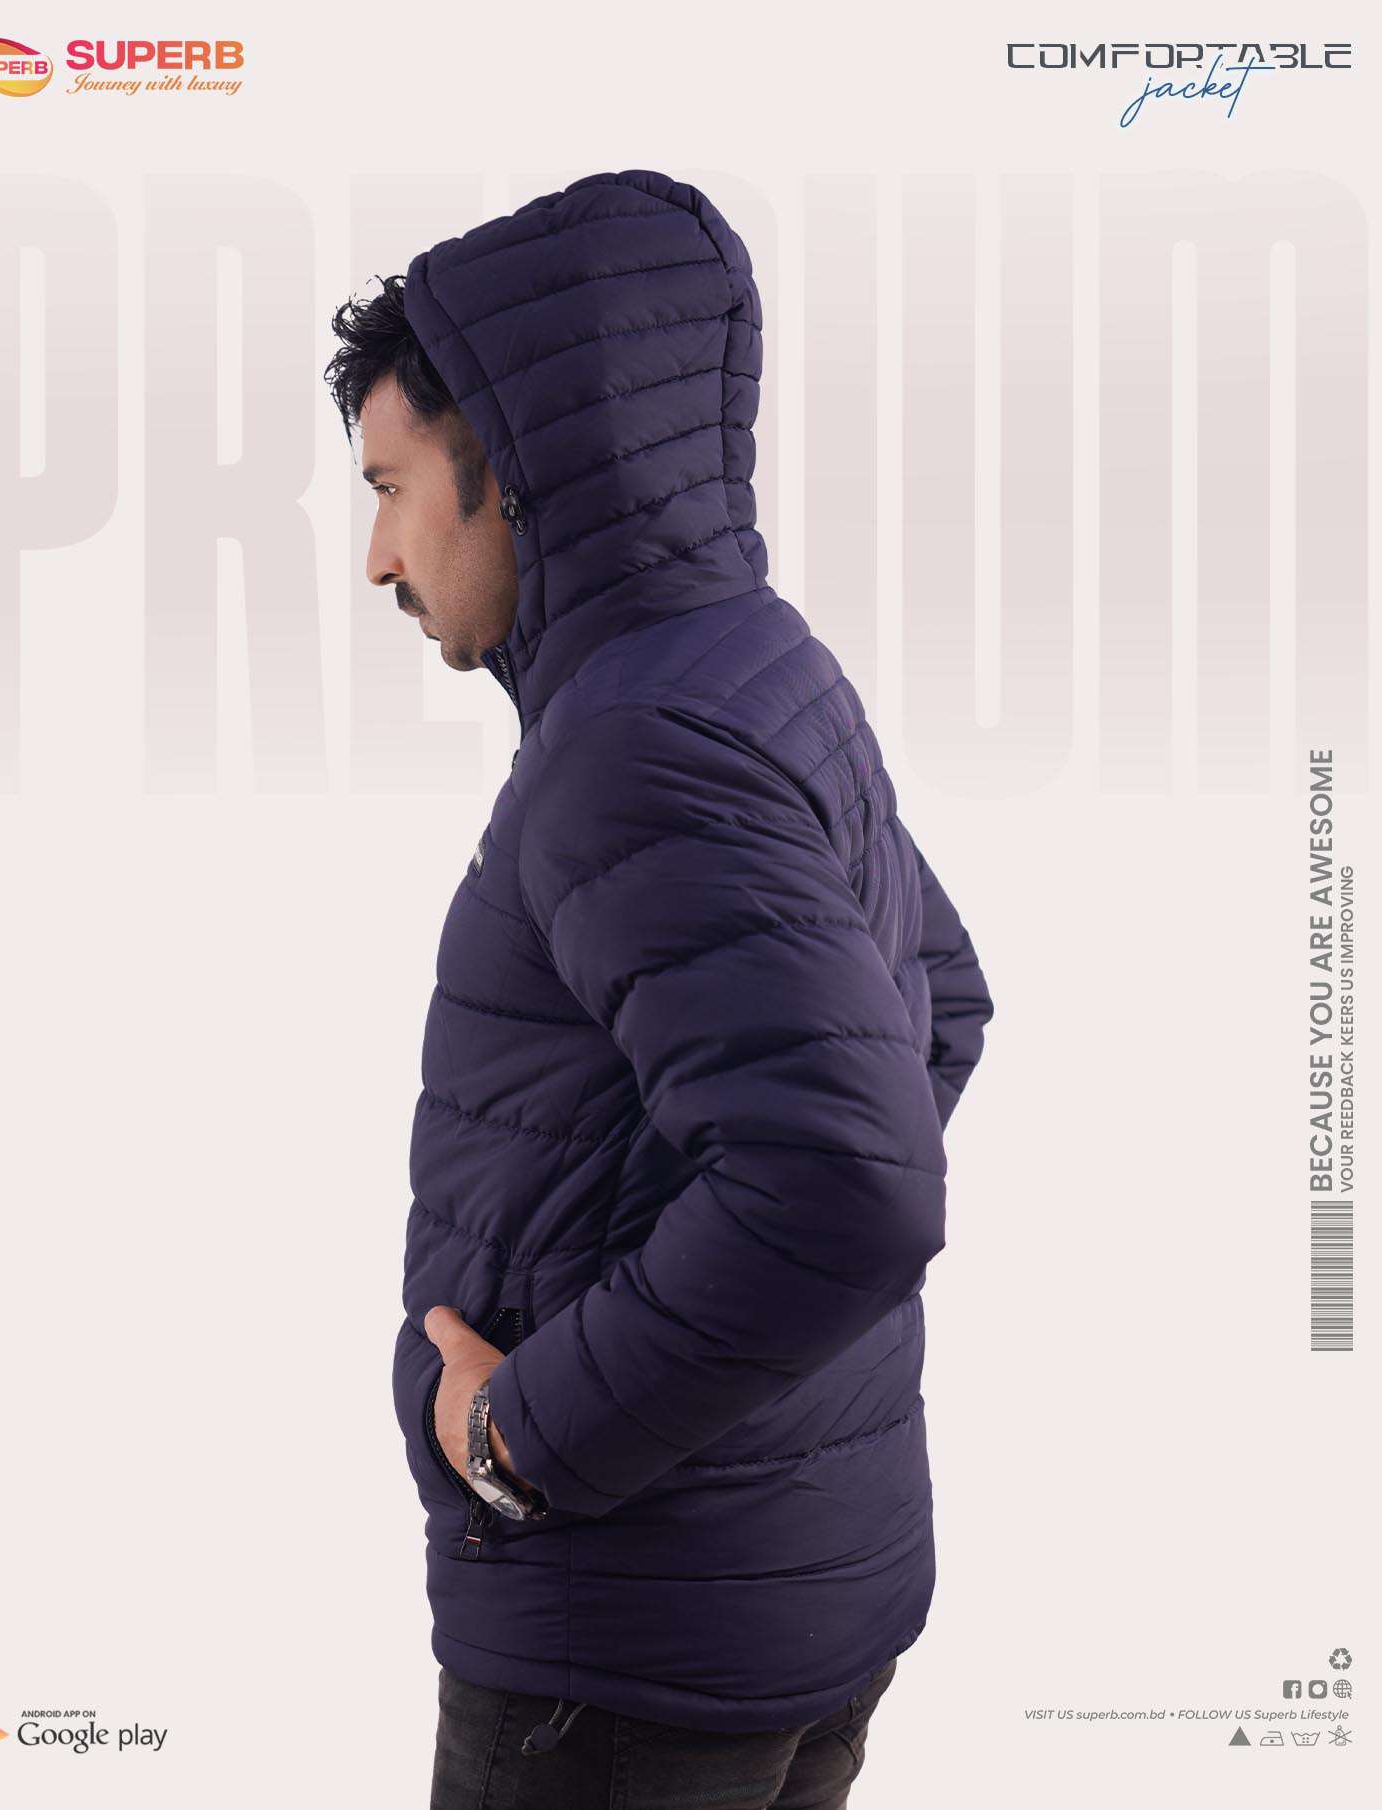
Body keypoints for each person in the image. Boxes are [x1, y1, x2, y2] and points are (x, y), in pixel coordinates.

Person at [324, 169, 993, 1809]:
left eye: (393, 487)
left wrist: (523, 1435)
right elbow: (938, 1005)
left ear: (509, 466)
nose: (378, 555)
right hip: (782, 1593)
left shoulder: (627, 745)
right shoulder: (758, 663)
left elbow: (847, 1180)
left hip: (620, 1657)